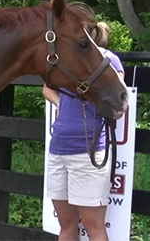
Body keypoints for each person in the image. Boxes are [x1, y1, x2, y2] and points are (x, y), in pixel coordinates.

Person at [43, 21, 125, 241]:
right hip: (59, 146)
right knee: (66, 224)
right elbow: (46, 87)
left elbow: (118, 104)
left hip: (88, 149)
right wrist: (60, 101)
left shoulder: (109, 61)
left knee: (93, 225)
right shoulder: (67, 62)